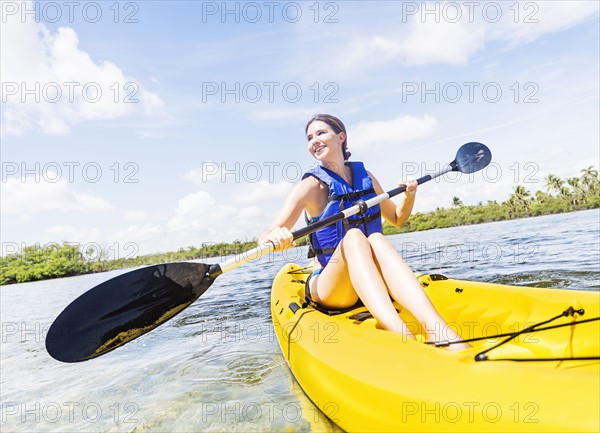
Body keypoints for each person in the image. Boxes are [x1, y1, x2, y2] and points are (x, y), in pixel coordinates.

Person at [258, 114, 470, 350]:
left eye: (321, 133)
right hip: (333, 287)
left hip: (371, 279)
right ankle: (401, 336)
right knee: (355, 237)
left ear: (341, 137)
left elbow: (398, 219)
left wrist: (410, 196)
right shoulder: (311, 186)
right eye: (309, 137)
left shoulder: (366, 177)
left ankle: (438, 330)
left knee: (376, 237)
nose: (314, 141)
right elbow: (266, 234)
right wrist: (275, 236)